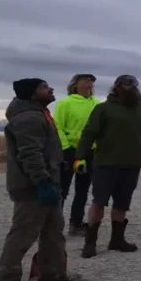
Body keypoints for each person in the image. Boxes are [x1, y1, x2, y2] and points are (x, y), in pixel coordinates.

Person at [0, 78, 82, 281]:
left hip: (48, 183)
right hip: (32, 186)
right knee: (23, 233)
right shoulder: (28, 118)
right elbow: (30, 154)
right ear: (32, 93)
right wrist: (42, 182)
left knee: (53, 229)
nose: (50, 89)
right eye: (44, 87)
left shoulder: (40, 114)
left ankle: (52, 274)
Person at [75, 74, 141, 258]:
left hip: (131, 164)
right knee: (99, 201)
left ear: (137, 88)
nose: (128, 87)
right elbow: (89, 134)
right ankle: (90, 243)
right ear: (116, 87)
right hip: (106, 163)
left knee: (122, 203)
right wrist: (79, 157)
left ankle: (117, 240)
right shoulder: (103, 109)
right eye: (124, 84)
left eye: (132, 85)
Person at [54, 73, 101, 236]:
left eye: (91, 81)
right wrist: (66, 148)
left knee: (82, 189)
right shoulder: (65, 103)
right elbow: (57, 127)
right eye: (85, 80)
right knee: (62, 188)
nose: (89, 83)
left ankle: (76, 223)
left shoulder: (97, 104)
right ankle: (53, 225)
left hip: (89, 152)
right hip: (69, 151)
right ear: (75, 84)